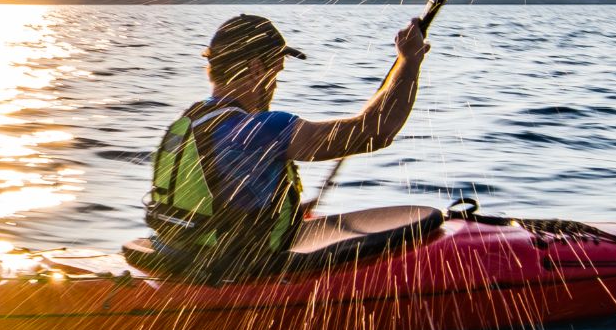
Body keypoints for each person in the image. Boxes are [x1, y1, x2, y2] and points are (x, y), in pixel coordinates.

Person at [139, 14, 430, 281]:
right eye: (276, 74)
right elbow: (375, 131)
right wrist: (409, 60)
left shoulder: (191, 121)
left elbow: (217, 201)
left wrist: (284, 213)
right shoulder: (258, 129)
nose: (275, 86)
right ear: (256, 69)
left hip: (181, 258)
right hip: (231, 274)